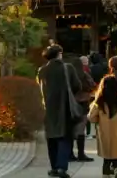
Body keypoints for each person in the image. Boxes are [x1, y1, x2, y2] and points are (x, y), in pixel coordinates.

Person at [37, 45, 82, 178]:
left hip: (48, 107)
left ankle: (54, 168)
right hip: (65, 106)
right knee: (65, 138)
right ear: (59, 54)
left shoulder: (42, 70)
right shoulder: (67, 68)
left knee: (51, 138)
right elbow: (77, 86)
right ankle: (62, 167)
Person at [87, 75, 117, 178]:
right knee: (116, 154)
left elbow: (91, 117)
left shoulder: (99, 102)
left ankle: (107, 171)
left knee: (107, 155)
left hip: (103, 133)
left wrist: (98, 120)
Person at [69, 57, 95, 162]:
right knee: (81, 130)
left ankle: (70, 153)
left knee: (70, 129)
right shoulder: (84, 75)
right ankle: (81, 153)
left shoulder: (69, 76)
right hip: (83, 103)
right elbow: (92, 85)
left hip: (71, 103)